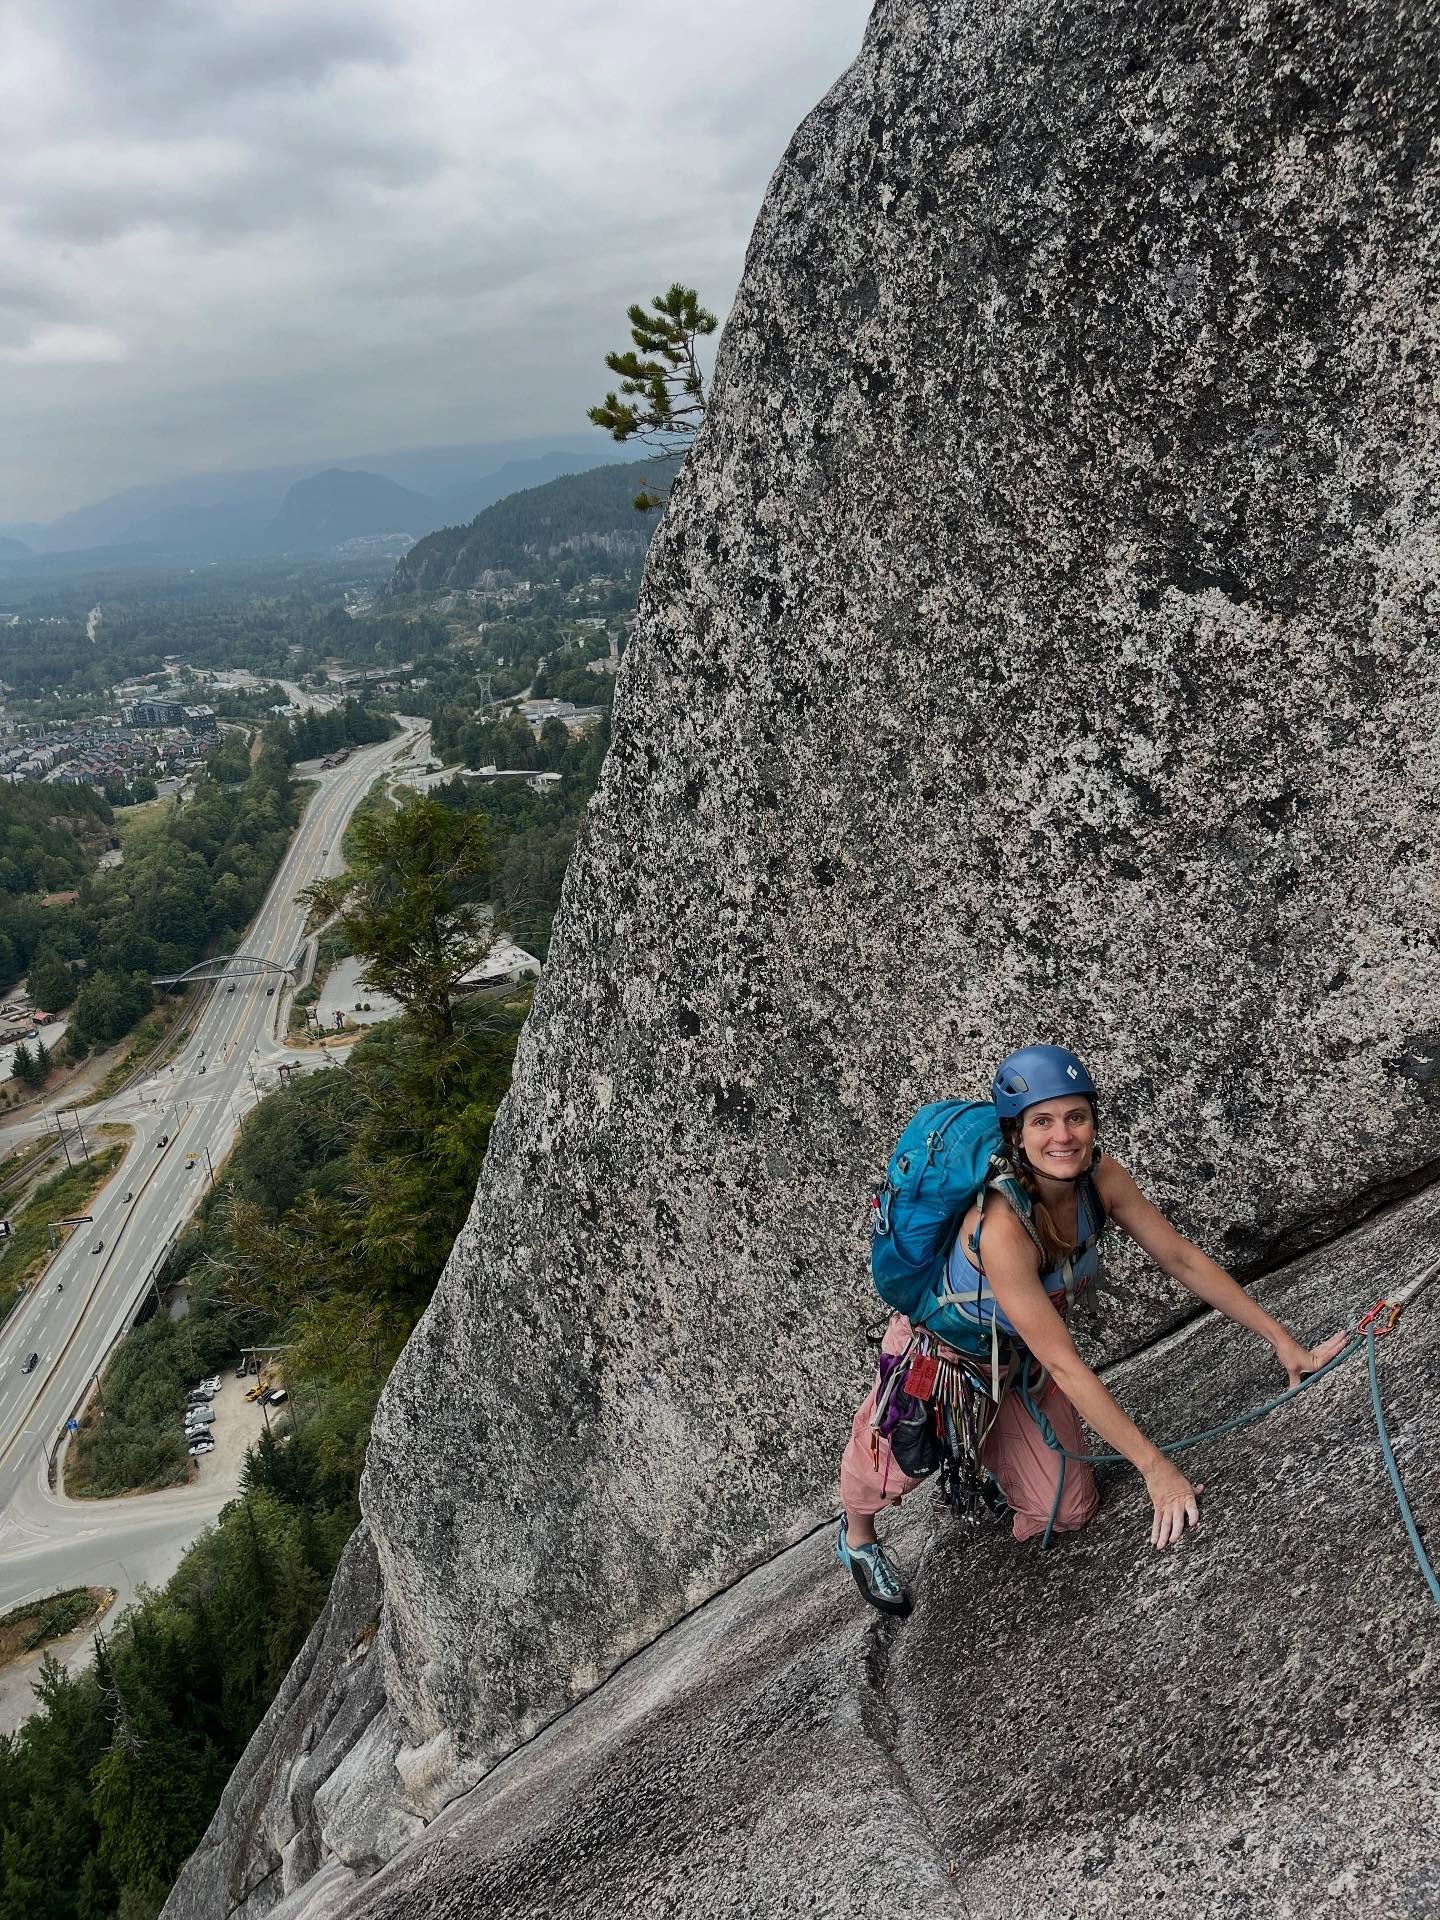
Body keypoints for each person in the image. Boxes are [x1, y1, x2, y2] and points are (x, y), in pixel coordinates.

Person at [836, 1044, 1348, 1616]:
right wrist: (1158, 1471)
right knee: (895, 1467)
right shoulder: (1002, 1228)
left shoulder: (1099, 1179)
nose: (1063, 1136)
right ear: (1017, 1136)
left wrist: (1286, 1344)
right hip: (949, 1360)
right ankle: (857, 1537)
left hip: (1020, 1366)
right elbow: (1066, 1363)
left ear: (1094, 1121)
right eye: (1043, 1122)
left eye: (1076, 1117)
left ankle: (995, 1456)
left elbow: (1181, 1259)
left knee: (1067, 1512)